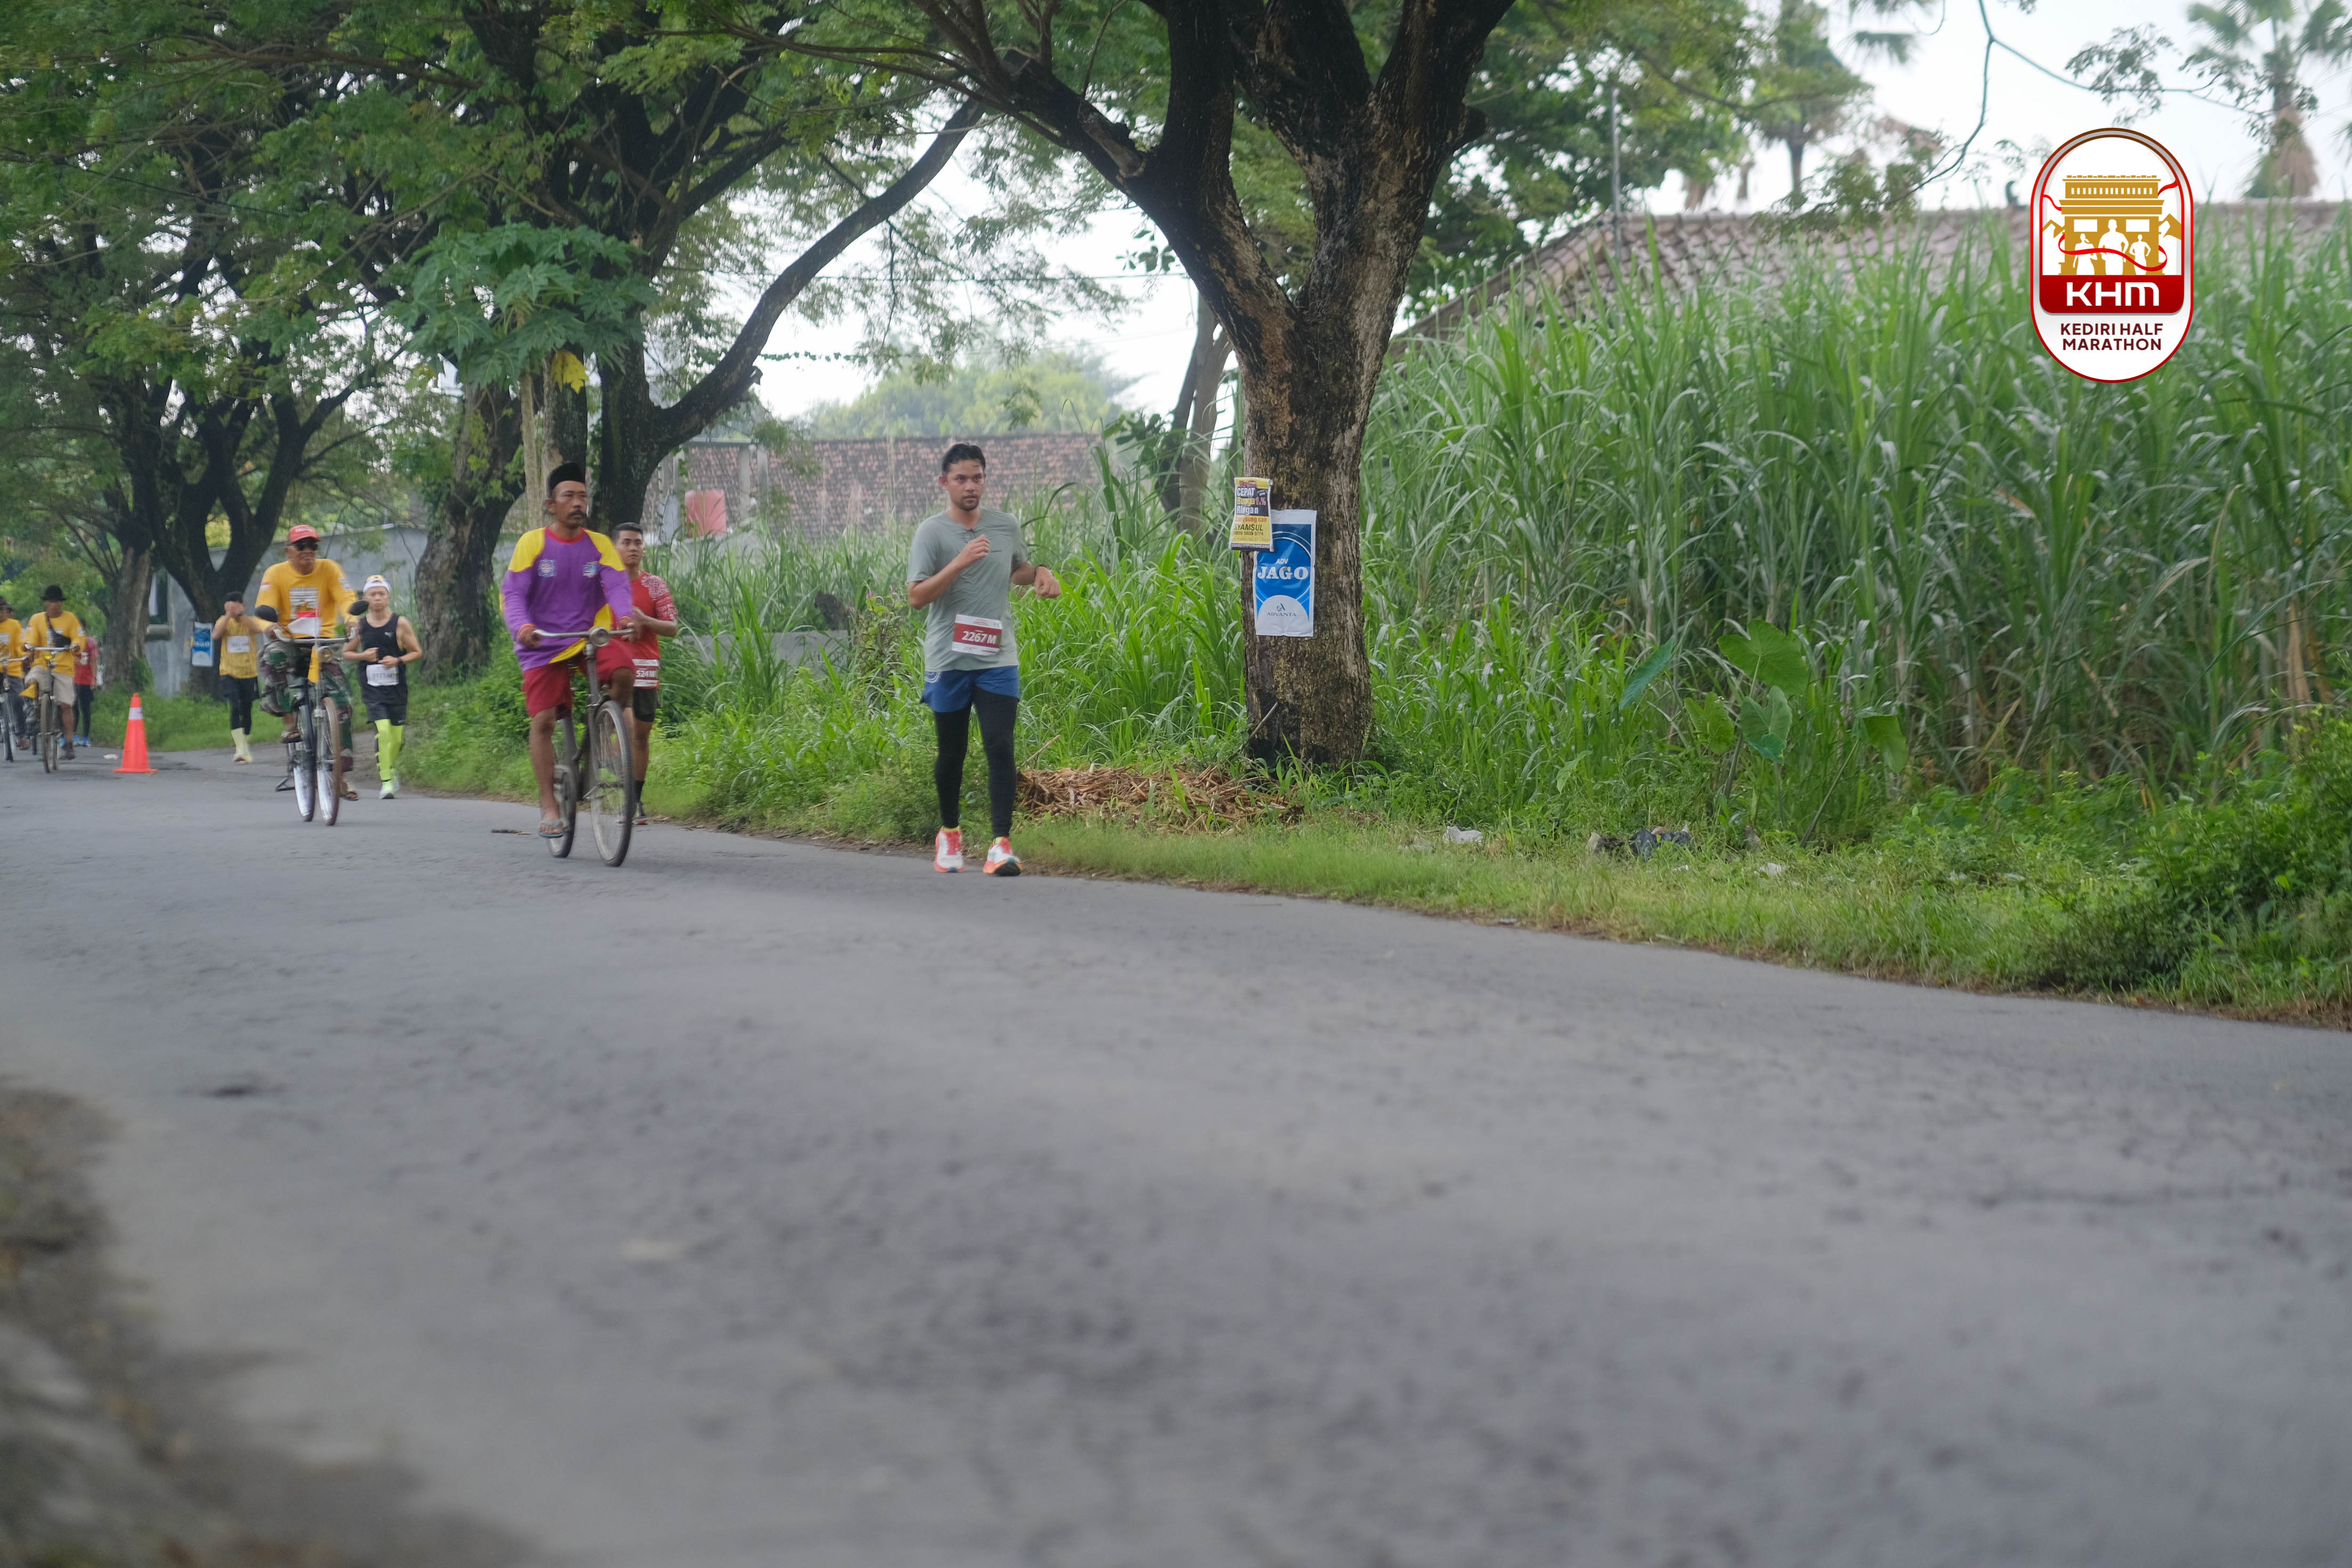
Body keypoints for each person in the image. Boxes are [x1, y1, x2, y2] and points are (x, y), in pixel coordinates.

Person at [906, 442, 1060, 875]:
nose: (970, 486)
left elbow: (1016, 569)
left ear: (985, 479)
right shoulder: (931, 533)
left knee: (1000, 745)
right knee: (952, 752)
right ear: (944, 483)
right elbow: (916, 597)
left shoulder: (1004, 525)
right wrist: (959, 563)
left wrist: (1041, 572)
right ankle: (950, 833)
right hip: (949, 657)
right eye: (961, 479)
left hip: (997, 656)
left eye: (977, 478)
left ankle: (1000, 845)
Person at [500, 462, 634, 838]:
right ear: (551, 504)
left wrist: (625, 616)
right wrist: (522, 627)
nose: (578, 503)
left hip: (589, 635)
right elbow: (513, 593)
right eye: (569, 496)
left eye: (582, 496)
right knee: (544, 720)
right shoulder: (533, 543)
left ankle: (602, 737)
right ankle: (549, 805)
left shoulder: (600, 544)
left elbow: (617, 585)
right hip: (542, 640)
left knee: (625, 673)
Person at [256, 524, 356, 797]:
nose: (308, 551)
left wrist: (352, 621)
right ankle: (290, 723)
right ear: (288, 551)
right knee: (272, 656)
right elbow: (263, 610)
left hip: (322, 644)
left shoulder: (330, 569)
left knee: (343, 701)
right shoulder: (275, 573)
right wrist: (271, 627)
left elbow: (347, 599)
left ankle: (340, 775)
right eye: (301, 546)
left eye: (313, 546)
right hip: (289, 641)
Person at [611, 521, 679, 827]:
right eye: (626, 543)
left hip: (646, 670)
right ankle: (609, 765)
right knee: (623, 730)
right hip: (614, 667)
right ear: (615, 547)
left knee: (640, 736)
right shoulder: (604, 584)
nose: (633, 548)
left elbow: (673, 628)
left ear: (644, 549)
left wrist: (645, 621)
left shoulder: (655, 585)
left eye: (638, 543)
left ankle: (635, 801)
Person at [345, 575, 421, 799]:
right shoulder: (361, 626)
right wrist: (363, 656)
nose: (377, 598)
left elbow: (417, 651)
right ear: (366, 599)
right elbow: (347, 653)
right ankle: (386, 781)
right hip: (372, 688)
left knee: (396, 739)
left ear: (388, 597)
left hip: (396, 688)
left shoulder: (400, 623)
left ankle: (390, 768)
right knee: (384, 731)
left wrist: (398, 660)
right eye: (373, 594)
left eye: (382, 594)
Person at [22, 587, 85, 760]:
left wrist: (76, 646)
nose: (54, 605)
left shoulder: (71, 619)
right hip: (42, 663)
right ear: (46, 603)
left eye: (57, 601)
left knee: (66, 705)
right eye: (51, 602)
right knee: (31, 680)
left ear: (61, 603)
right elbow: (30, 638)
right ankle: (36, 708)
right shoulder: (37, 619)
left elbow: (79, 637)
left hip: (63, 667)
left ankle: (69, 743)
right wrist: (28, 646)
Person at [213, 592, 265, 762]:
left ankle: (245, 746)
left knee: (246, 710)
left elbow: (257, 629)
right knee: (235, 707)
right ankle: (240, 749)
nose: (235, 607)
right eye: (231, 604)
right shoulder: (223, 621)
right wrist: (229, 615)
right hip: (229, 673)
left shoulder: (250, 621)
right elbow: (216, 635)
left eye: (238, 604)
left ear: (244, 606)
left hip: (249, 673)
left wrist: (240, 615)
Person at [0, 598, 25, 748]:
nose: (2, 613)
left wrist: (24, 655)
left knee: (18, 700)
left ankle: (21, 735)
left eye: (4, 610)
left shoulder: (15, 625)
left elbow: (19, 646)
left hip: (12, 668)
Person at [71, 629, 97, 747]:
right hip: (73, 679)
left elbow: (94, 661)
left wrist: (94, 679)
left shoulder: (90, 642)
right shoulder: (73, 642)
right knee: (73, 708)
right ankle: (74, 735)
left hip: (86, 680)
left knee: (86, 709)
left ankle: (86, 737)